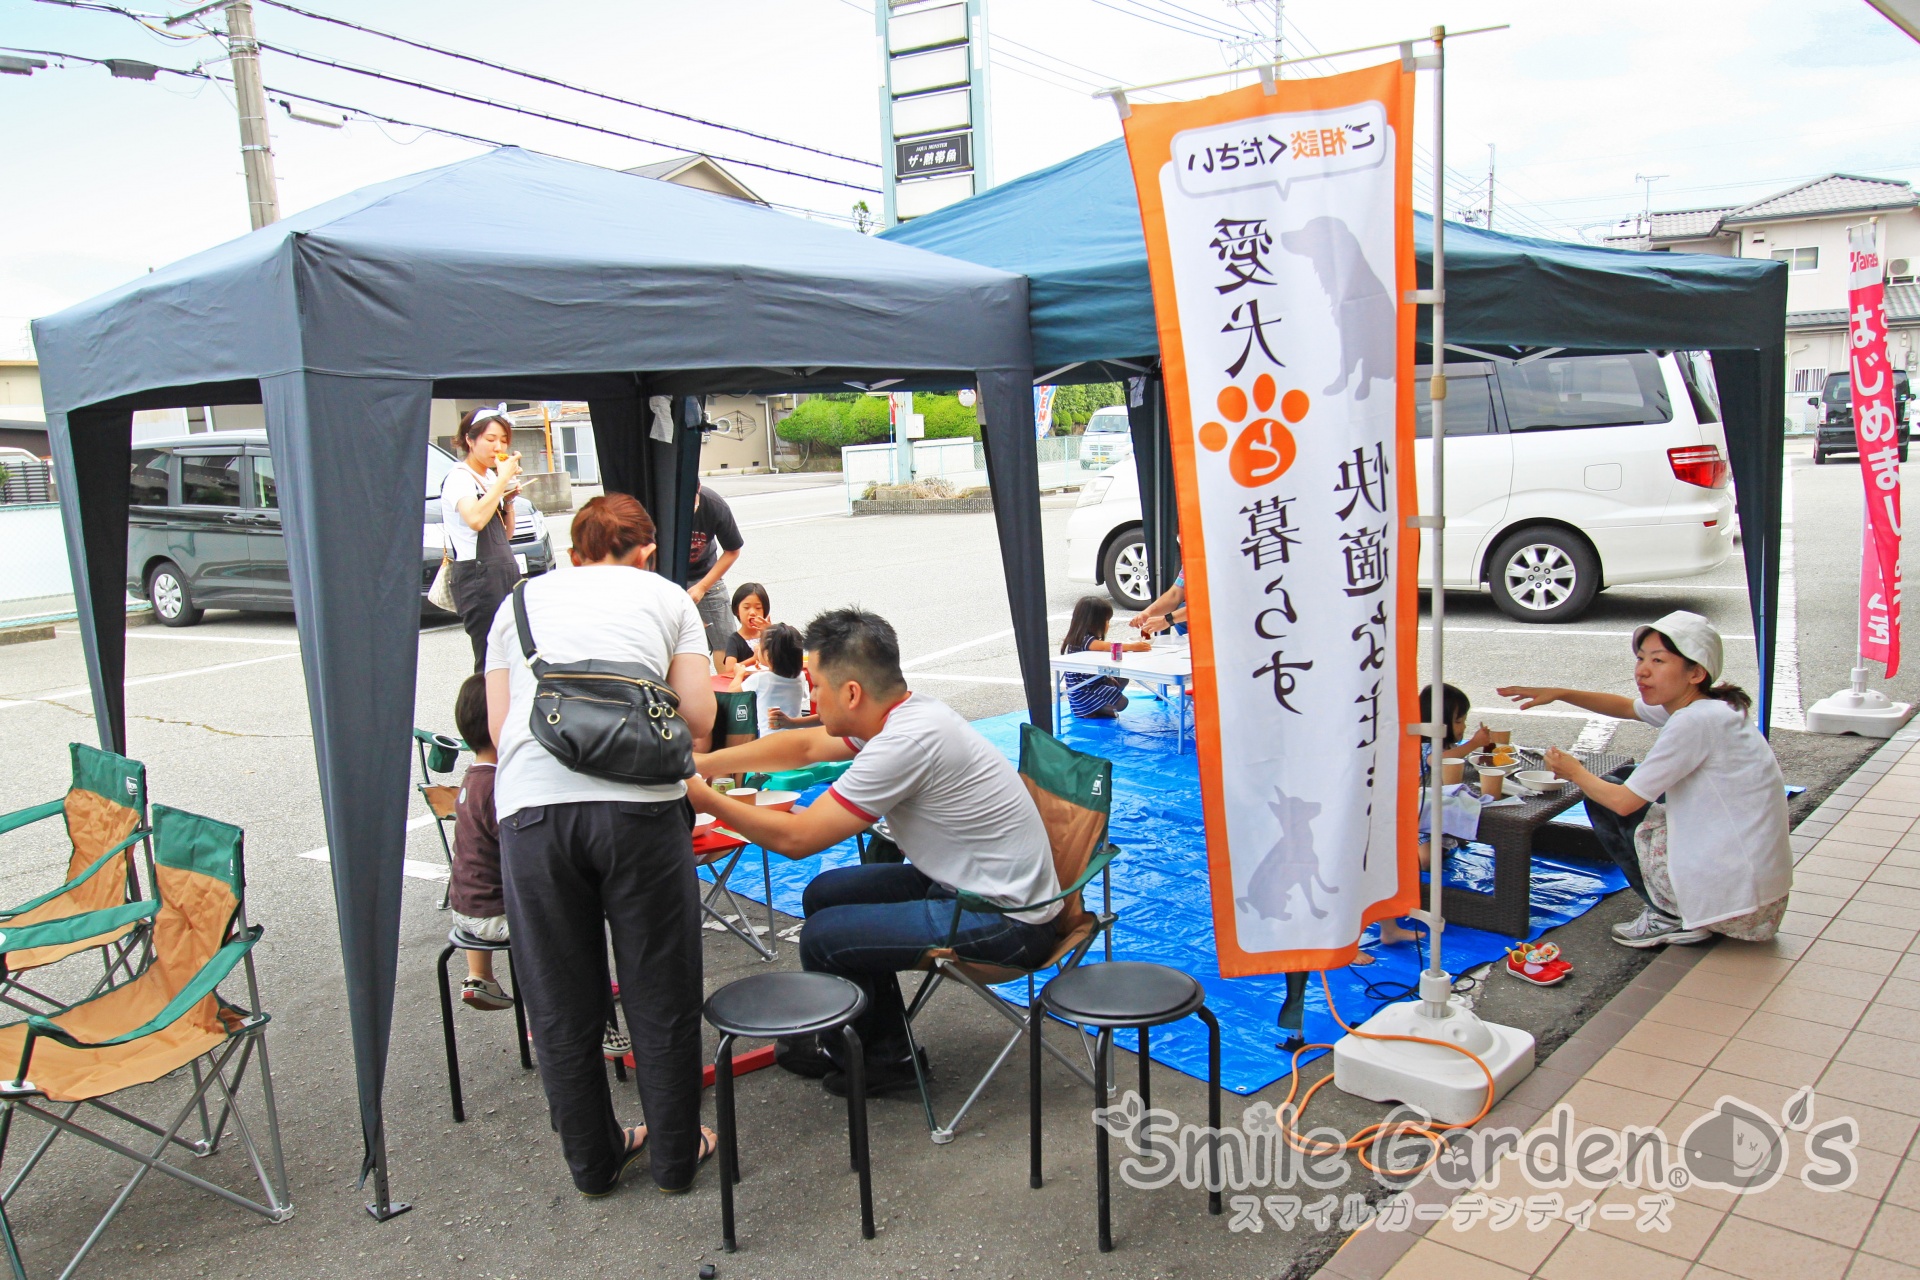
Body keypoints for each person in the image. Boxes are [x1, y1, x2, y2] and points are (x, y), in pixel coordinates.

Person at [687, 608, 1061, 1097]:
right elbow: (802, 750)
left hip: (1009, 921)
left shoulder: (904, 742)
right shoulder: (901, 713)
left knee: (824, 937)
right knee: (826, 893)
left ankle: (883, 1062)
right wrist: (707, 762)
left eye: (815, 684)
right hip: (965, 885)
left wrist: (703, 795)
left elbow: (797, 841)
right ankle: (879, 1042)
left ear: (851, 693)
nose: (811, 695)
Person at [484, 493, 719, 1195]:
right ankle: (676, 1157)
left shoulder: (517, 605)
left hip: (532, 810)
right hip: (642, 811)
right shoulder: (668, 597)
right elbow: (700, 717)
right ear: (645, 548)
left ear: (576, 550)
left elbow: (500, 729)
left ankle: (593, 1162)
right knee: (660, 985)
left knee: (560, 996)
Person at [1498, 610, 1791, 949]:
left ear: (1695, 672)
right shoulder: (1717, 706)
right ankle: (1684, 906)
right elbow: (1626, 707)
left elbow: (1624, 803)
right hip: (1761, 892)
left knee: (1607, 798)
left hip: (1736, 900)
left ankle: (1671, 915)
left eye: (1658, 660)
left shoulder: (1692, 723)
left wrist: (1574, 772)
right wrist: (1561, 692)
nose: (1642, 670)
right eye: (1640, 658)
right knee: (1622, 779)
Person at [1376, 684, 1492, 948]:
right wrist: (1474, 743)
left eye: (1463, 720)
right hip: (1405, 817)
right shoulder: (1425, 745)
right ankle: (1355, 944)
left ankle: (1389, 929)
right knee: (1404, 864)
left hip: (1418, 813)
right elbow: (1438, 759)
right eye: (1458, 720)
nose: (1462, 726)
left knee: (1391, 868)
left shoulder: (1436, 742)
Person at [441, 406, 524, 672]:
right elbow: (475, 519)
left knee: (512, 657)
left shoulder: (489, 478)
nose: (498, 446)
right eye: (490, 439)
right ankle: (484, 713)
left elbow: (506, 534)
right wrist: (501, 481)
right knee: (490, 662)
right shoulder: (459, 478)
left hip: (502, 572)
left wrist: (508, 501)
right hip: (479, 577)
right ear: (470, 439)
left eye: (503, 440)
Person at [448, 673, 513, 1010]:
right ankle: (585, 1019)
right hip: (496, 915)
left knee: (479, 870)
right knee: (571, 920)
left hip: (464, 908)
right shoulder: (500, 788)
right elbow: (525, 855)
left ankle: (480, 975)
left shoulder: (473, 779)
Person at [1061, 596, 1149, 719]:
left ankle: (1099, 707)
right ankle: (1092, 708)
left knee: (1122, 678)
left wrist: (1107, 676)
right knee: (1122, 703)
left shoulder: (1084, 638)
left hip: (1094, 681)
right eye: (1107, 621)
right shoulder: (1083, 640)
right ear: (1093, 623)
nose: (1108, 625)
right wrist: (1133, 646)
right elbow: (1106, 646)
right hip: (1084, 690)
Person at [687, 485, 745, 667]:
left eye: (693, 501)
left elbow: (733, 550)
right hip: (666, 577)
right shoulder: (660, 505)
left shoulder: (714, 505)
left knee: (726, 640)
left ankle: (726, 692)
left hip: (705, 574)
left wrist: (703, 587)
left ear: (698, 490)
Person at [731, 621, 807, 736]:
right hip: (797, 736)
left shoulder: (759, 679)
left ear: (767, 655)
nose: (757, 648)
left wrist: (739, 674)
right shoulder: (800, 676)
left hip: (769, 739)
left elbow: (731, 693)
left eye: (759, 645)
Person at [719, 582, 771, 676]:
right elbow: (729, 669)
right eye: (746, 608)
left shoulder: (770, 634)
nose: (752, 613)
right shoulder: (735, 640)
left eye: (758, 608)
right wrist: (753, 659)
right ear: (737, 610)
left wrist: (770, 634)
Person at [1128, 567, 1188, 637]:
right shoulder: (1189, 563)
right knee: (1179, 611)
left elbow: (1203, 606)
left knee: (1180, 613)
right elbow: (1174, 595)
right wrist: (1148, 612)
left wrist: (1166, 620)